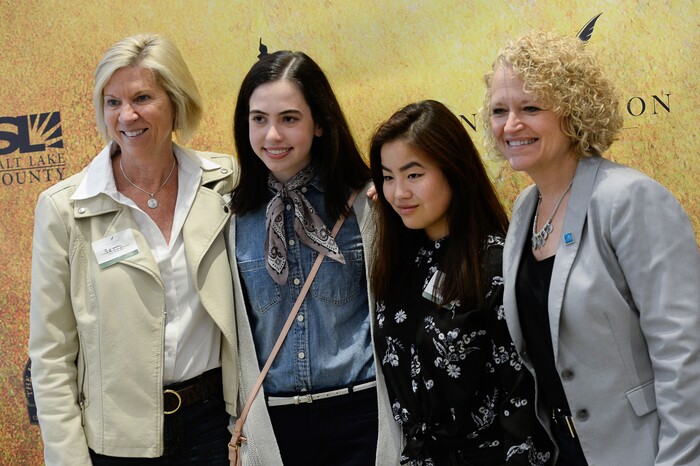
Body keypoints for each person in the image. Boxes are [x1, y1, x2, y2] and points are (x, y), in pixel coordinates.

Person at [482, 31, 700, 465]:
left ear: (573, 111)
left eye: (530, 108)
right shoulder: (527, 206)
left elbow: (685, 350)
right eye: (499, 110)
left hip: (646, 449)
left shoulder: (629, 199)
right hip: (566, 449)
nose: (510, 125)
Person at [28, 33, 239, 465]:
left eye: (143, 97)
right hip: (116, 441)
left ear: (176, 102)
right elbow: (50, 355)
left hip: (214, 427)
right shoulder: (65, 209)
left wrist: (371, 195)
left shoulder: (225, 182)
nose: (127, 115)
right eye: (112, 102)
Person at [226, 50, 399, 465]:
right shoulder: (230, 217)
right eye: (259, 119)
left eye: (289, 118)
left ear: (320, 123)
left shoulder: (367, 203)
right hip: (275, 425)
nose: (272, 136)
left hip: (361, 413)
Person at [368, 99, 555, 465]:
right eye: (388, 177)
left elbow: (522, 394)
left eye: (414, 175)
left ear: (453, 169)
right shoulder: (399, 261)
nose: (399, 193)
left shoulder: (496, 262)